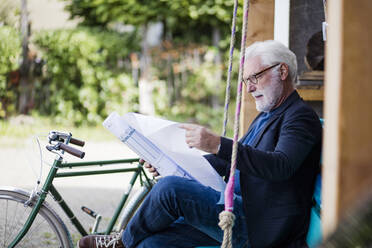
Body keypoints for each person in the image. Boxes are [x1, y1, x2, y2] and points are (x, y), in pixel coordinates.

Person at [78, 40, 322, 248]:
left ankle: (119, 243)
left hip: (259, 227)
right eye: (246, 80)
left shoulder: (299, 116)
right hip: (235, 210)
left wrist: (217, 144)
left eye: (255, 77)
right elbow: (233, 162)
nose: (249, 88)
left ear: (282, 71)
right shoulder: (268, 114)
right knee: (152, 243)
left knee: (170, 189)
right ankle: (127, 242)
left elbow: (281, 166)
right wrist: (172, 163)